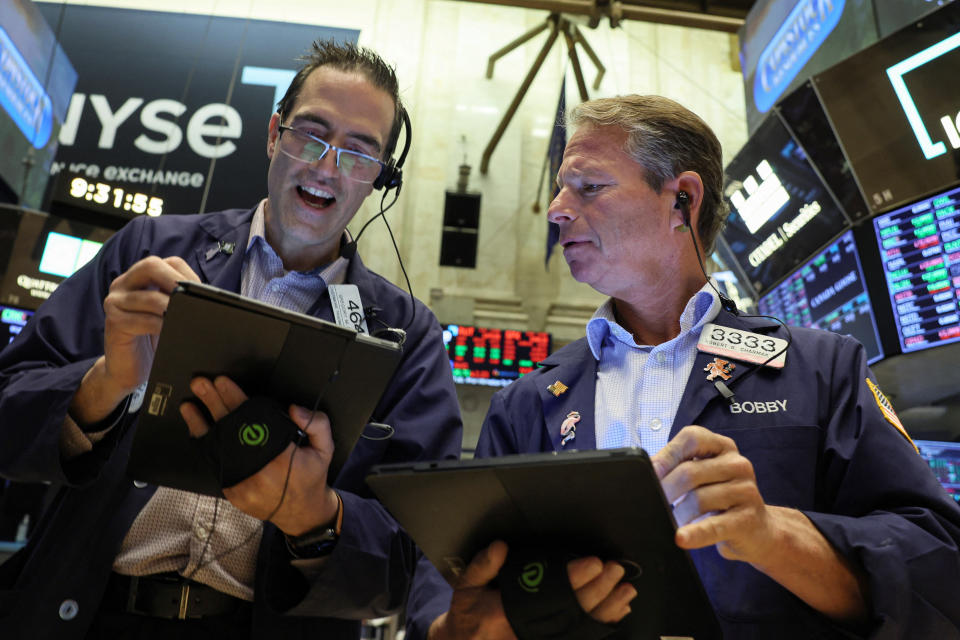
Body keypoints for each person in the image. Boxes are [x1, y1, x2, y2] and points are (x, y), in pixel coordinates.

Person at [434, 95, 960, 639]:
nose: (556, 209)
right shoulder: (526, 403)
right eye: (561, 188)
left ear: (681, 199)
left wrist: (771, 536)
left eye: (589, 187)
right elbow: (455, 603)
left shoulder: (822, 368)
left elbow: (939, 567)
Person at [0, 40, 461, 639]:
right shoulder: (149, 252)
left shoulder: (406, 337)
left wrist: (316, 517)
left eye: (358, 153)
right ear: (274, 135)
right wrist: (104, 385)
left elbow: (414, 555)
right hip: (90, 612)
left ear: (381, 177)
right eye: (311, 135)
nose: (326, 168)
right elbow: (9, 412)